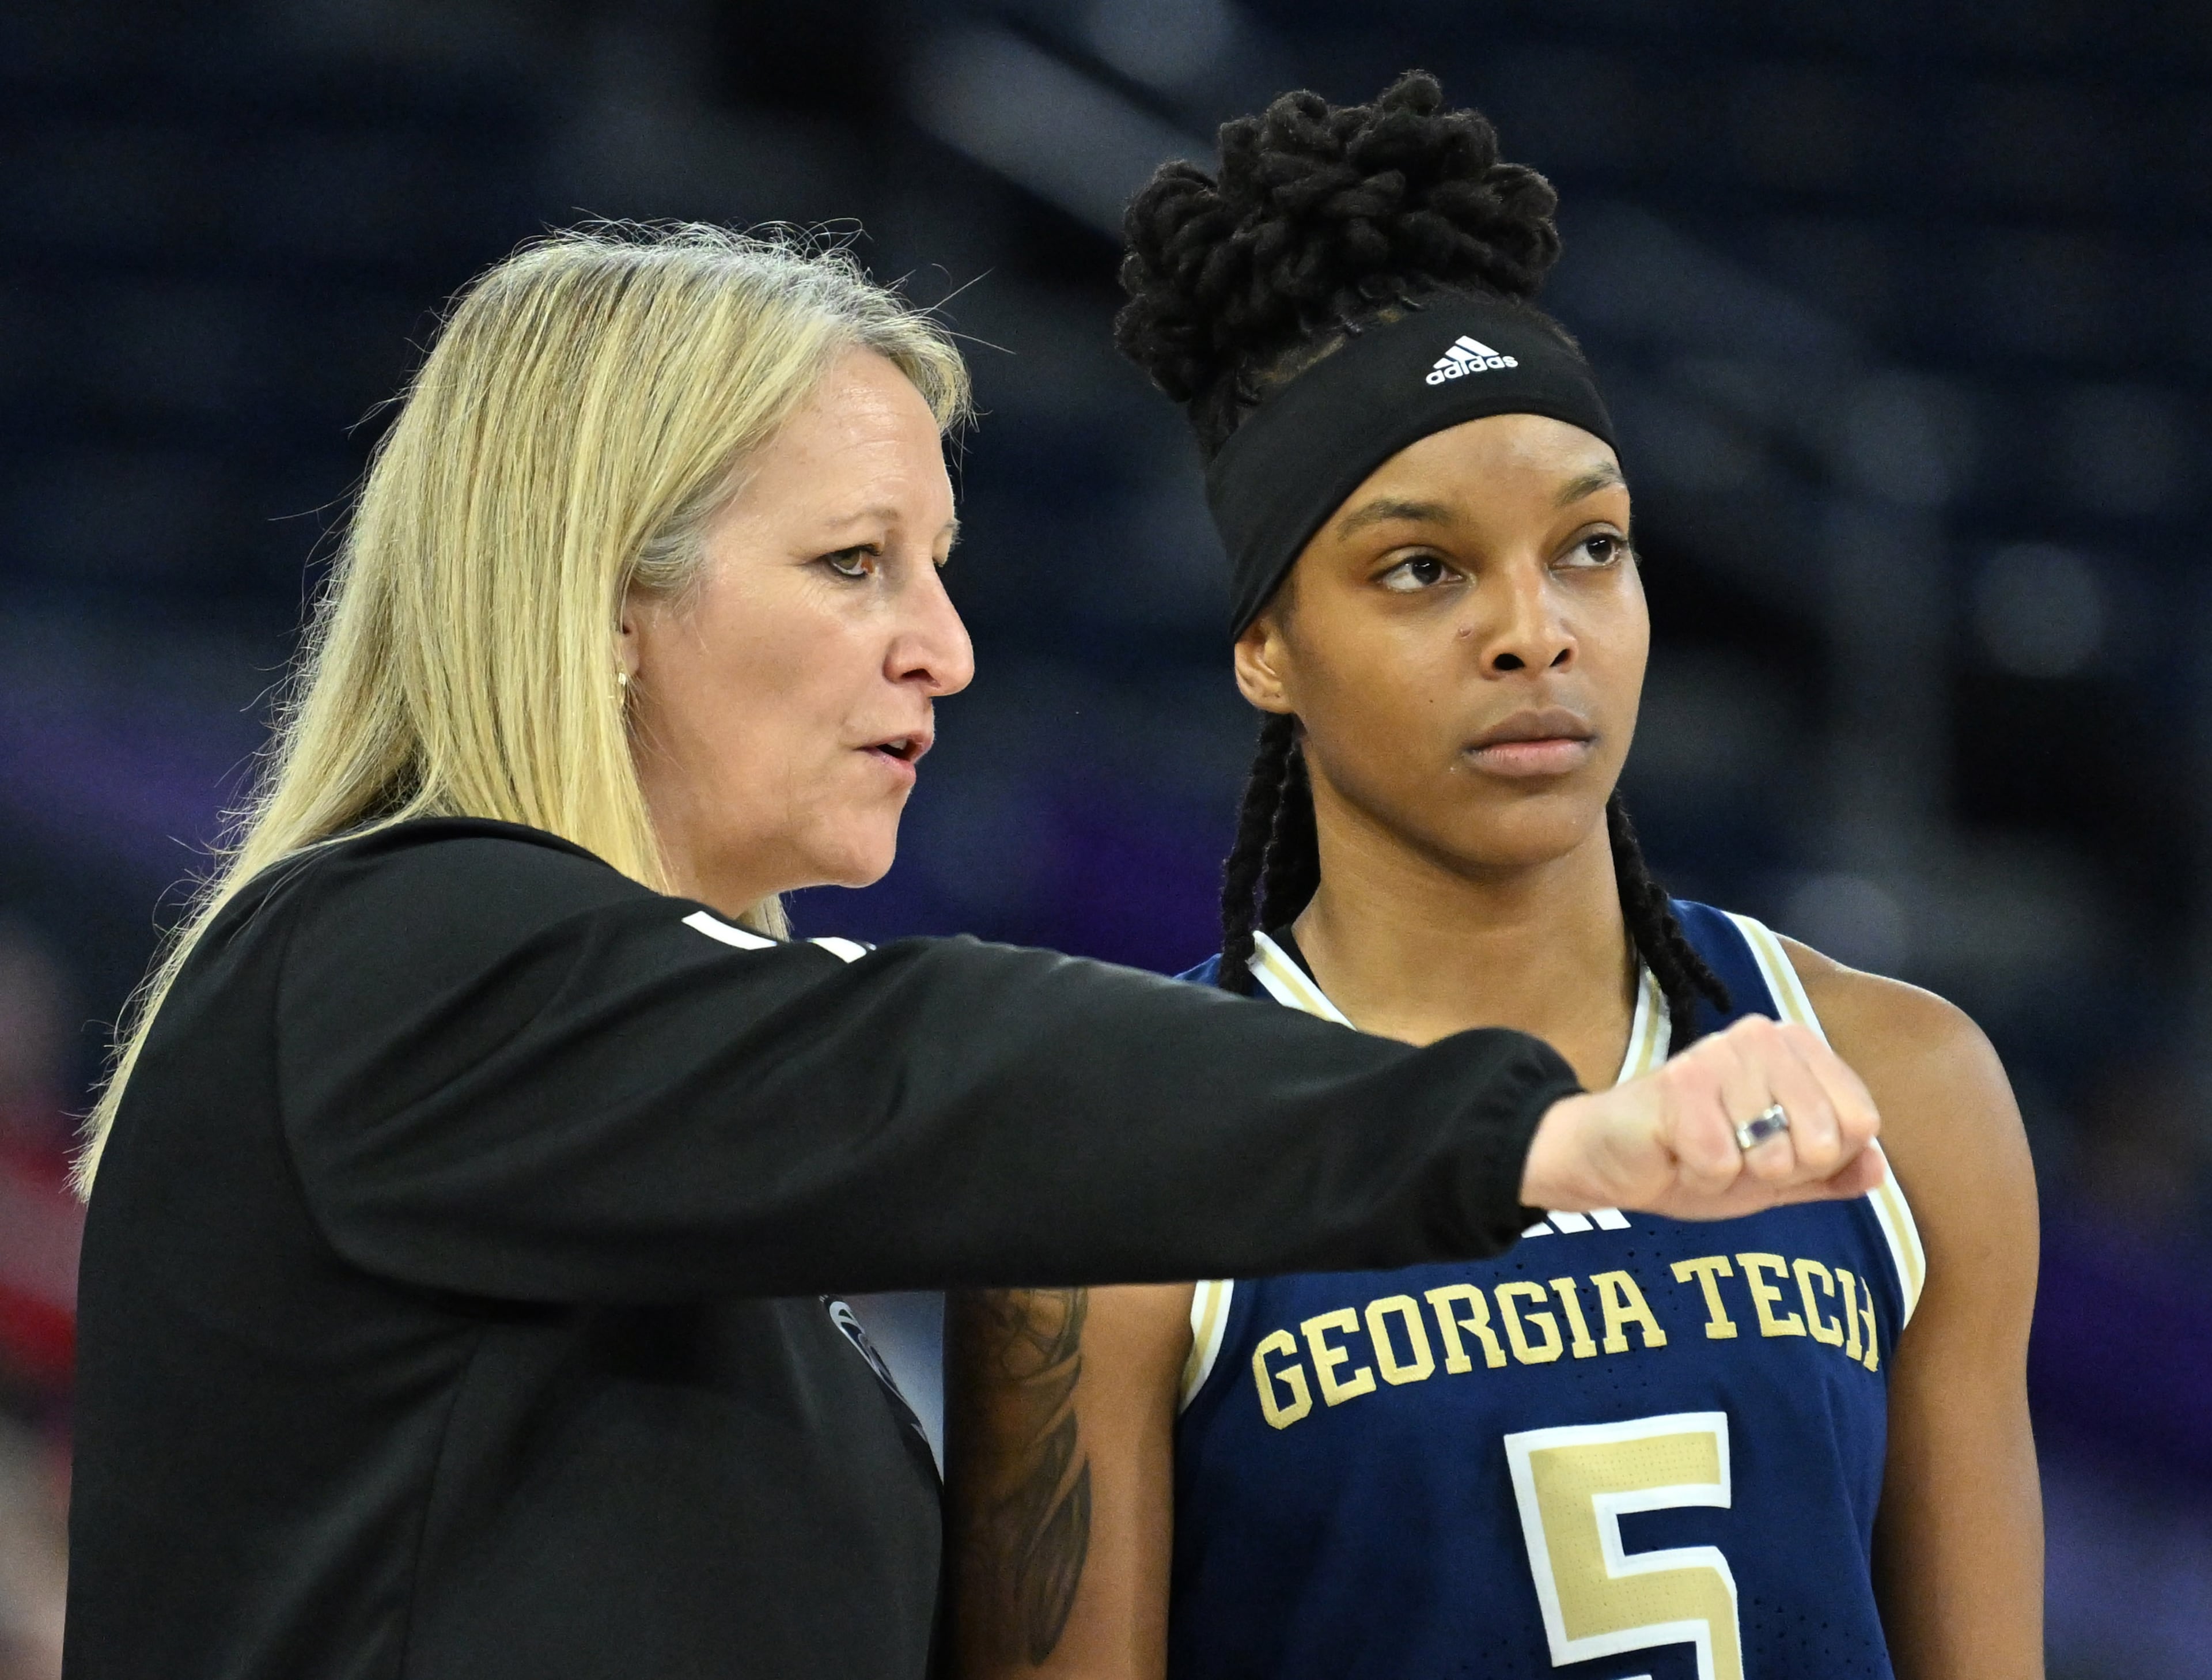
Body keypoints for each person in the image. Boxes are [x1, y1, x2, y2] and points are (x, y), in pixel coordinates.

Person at [64, 224, 1883, 1680]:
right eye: (855, 564)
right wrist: (1537, 1129)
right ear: (603, 602)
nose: (944, 645)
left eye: (937, 566)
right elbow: (942, 1057)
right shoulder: (391, 953)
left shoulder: (633, 1109)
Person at [946, 76, 2041, 1680]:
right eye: (1422, 569)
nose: (1537, 628)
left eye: (1592, 546)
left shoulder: (1907, 1087)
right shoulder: (1121, 1184)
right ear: (1265, 647)